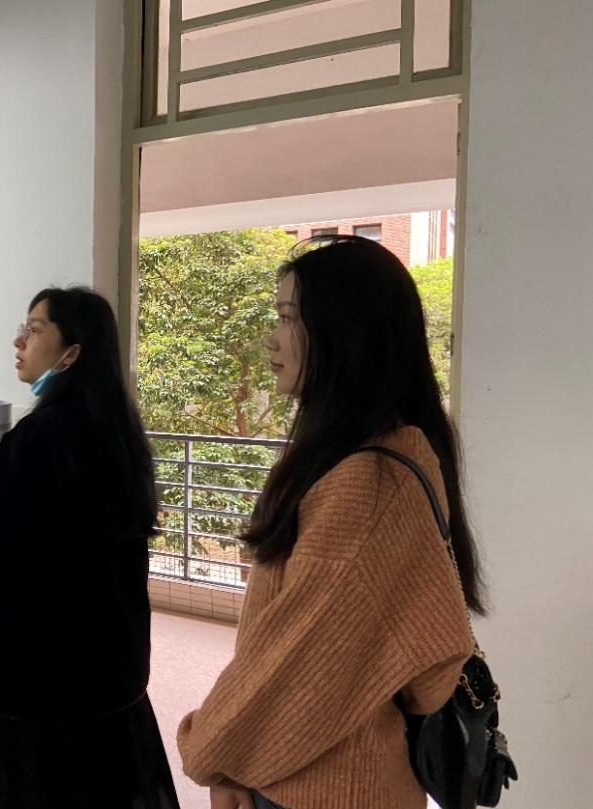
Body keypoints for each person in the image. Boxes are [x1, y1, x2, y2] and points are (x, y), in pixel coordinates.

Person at [177, 236, 483, 809]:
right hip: (319, 777)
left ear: (346, 331)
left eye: (288, 317)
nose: (271, 338)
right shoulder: (367, 452)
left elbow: (297, 667)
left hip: (324, 787)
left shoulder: (367, 482)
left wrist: (213, 755)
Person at [0, 286, 180, 809]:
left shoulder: (37, 435)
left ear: (71, 353)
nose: (18, 341)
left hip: (38, 670)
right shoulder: (121, 435)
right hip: (108, 662)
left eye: (34, 329)